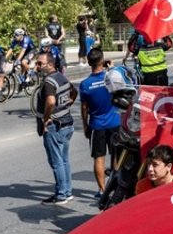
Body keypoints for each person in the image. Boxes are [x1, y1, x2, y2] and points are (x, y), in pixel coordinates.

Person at [35, 51, 77, 205]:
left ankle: (61, 195)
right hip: (67, 124)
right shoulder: (61, 77)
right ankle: (67, 191)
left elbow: (51, 101)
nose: (37, 66)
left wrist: (46, 118)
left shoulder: (49, 82)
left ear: (50, 64)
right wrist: (65, 107)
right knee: (64, 160)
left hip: (55, 127)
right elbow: (74, 92)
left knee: (56, 161)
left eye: (40, 63)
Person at [79, 48, 120, 196]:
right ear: (102, 61)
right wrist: (112, 68)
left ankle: (102, 190)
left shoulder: (85, 85)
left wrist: (85, 125)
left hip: (97, 125)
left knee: (99, 158)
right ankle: (116, 187)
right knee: (116, 157)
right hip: (115, 123)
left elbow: (84, 108)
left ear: (89, 63)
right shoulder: (111, 77)